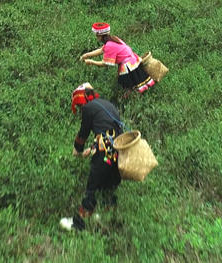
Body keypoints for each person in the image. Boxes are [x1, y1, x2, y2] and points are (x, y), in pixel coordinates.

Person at [60, 83, 122, 231]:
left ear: (83, 99)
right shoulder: (108, 105)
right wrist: (93, 148)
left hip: (104, 151)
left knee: (92, 186)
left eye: (79, 105)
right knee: (108, 185)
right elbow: (109, 131)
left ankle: (79, 223)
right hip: (119, 151)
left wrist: (78, 149)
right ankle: (109, 218)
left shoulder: (88, 108)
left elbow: (83, 132)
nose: (80, 109)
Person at [79, 23, 155, 95]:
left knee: (127, 87)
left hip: (128, 67)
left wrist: (91, 62)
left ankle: (131, 96)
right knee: (138, 80)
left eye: (97, 36)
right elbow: (101, 50)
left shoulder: (109, 45)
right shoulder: (113, 39)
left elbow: (105, 64)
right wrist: (87, 55)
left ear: (100, 36)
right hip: (133, 62)